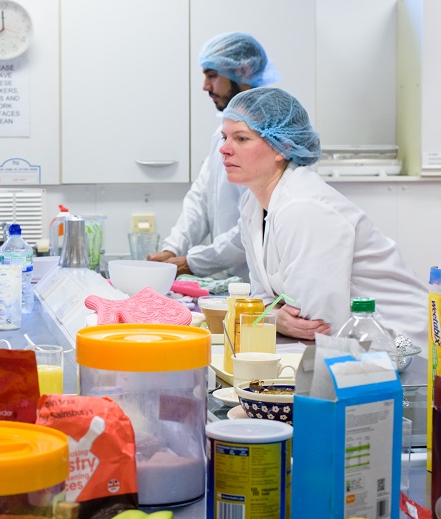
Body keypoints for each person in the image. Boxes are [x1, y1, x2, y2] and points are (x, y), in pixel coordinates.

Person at [220, 86, 427, 342]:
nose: (225, 149)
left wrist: (270, 318)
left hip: (405, 348)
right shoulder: (253, 203)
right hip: (355, 347)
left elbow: (315, 323)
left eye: (241, 138)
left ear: (281, 147)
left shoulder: (304, 207)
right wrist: (273, 317)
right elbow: (261, 297)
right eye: (224, 137)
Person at [149, 32, 278, 280]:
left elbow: (255, 224)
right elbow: (201, 197)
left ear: (243, 70)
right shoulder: (222, 132)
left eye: (212, 75)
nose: (205, 86)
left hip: (260, 287)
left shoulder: (269, 136)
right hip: (227, 283)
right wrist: (173, 248)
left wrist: (190, 262)